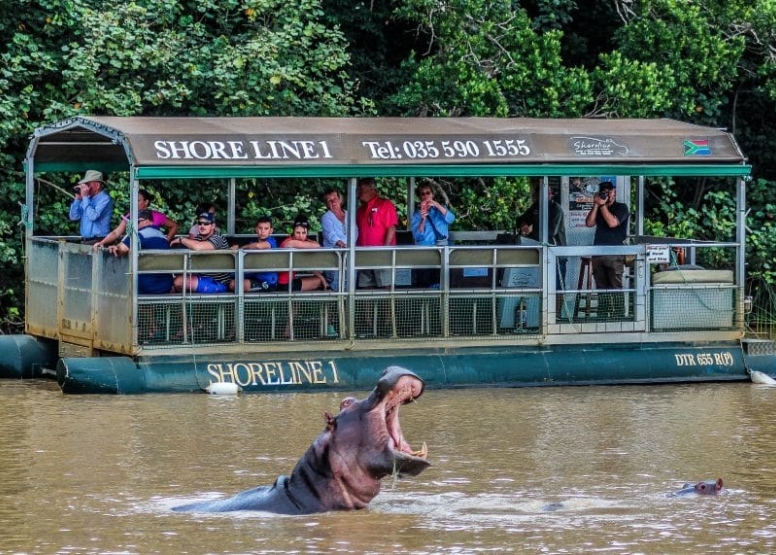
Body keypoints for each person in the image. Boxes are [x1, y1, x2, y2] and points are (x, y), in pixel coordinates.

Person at [585, 180, 630, 316]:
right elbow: (589, 223)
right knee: (601, 288)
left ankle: (619, 317)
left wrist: (603, 206)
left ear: (614, 192)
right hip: (598, 253)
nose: (607, 195)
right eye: (604, 192)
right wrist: (596, 205)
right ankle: (602, 316)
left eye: (610, 192)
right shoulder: (599, 207)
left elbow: (612, 223)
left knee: (615, 287)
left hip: (615, 254)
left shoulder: (621, 207)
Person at [106, 209, 172, 294]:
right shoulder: (163, 237)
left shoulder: (140, 234)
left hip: (143, 286)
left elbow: (122, 248)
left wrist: (116, 247)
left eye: (138, 222)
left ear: (147, 221)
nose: (136, 225)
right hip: (165, 286)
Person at [93, 189, 179, 251]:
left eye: (138, 200)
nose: (134, 203)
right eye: (133, 200)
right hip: (136, 251)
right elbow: (116, 232)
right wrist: (102, 242)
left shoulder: (157, 215)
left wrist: (167, 240)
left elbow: (174, 225)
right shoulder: (130, 215)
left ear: (146, 202)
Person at [170, 211, 231, 293]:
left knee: (179, 282)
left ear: (213, 226)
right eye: (200, 223)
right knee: (169, 284)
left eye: (206, 224)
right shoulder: (198, 238)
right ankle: (188, 305)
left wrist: (181, 239)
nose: (202, 226)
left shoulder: (218, 238)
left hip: (218, 283)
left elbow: (198, 247)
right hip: (201, 278)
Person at [355, 177, 398, 288]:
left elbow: (391, 228)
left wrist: (385, 249)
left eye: (362, 190)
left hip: (381, 254)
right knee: (366, 290)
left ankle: (389, 307)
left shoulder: (385, 205)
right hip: (364, 254)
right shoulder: (360, 210)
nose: (359, 193)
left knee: (386, 289)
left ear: (372, 190)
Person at [411, 182, 455, 287]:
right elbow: (417, 236)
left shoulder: (440, 210)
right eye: (423, 194)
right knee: (425, 282)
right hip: (425, 252)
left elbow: (451, 219)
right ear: (419, 197)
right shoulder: (417, 215)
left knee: (442, 282)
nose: (426, 196)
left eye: (428, 193)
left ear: (432, 194)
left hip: (442, 251)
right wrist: (423, 219)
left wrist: (436, 205)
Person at [277, 217, 329, 292]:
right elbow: (316, 246)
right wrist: (322, 279)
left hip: (289, 282)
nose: (300, 236)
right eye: (298, 232)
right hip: (284, 285)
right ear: (293, 231)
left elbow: (307, 263)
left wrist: (322, 277)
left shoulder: (298, 245)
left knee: (318, 277)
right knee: (318, 281)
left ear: (307, 233)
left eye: (304, 233)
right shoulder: (290, 243)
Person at [229, 215, 278, 292]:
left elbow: (258, 246)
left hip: (267, 281)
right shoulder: (252, 242)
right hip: (253, 276)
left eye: (266, 228)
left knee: (234, 284)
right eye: (260, 228)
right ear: (256, 229)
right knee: (230, 281)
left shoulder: (272, 241)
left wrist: (240, 248)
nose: (263, 231)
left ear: (271, 231)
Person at [69, 170, 114, 244]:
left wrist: (85, 198)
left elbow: (93, 216)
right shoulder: (86, 199)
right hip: (85, 240)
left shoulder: (105, 199)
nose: (85, 187)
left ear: (97, 185)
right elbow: (74, 217)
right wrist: (77, 199)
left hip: (99, 241)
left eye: (88, 184)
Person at [321, 188, 352, 291]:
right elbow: (331, 235)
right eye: (330, 200)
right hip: (334, 258)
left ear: (341, 200)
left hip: (349, 255)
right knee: (335, 287)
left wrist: (350, 246)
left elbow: (355, 231)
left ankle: (348, 307)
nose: (333, 202)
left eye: (335, 198)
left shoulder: (349, 214)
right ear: (327, 204)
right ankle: (335, 307)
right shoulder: (326, 217)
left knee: (350, 284)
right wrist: (344, 245)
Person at [517, 182, 566, 246]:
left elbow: (552, 231)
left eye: (549, 193)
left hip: (556, 247)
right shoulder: (536, 206)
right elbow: (521, 219)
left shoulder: (556, 209)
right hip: (539, 245)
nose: (549, 195)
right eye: (546, 193)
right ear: (538, 195)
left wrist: (531, 235)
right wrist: (523, 223)